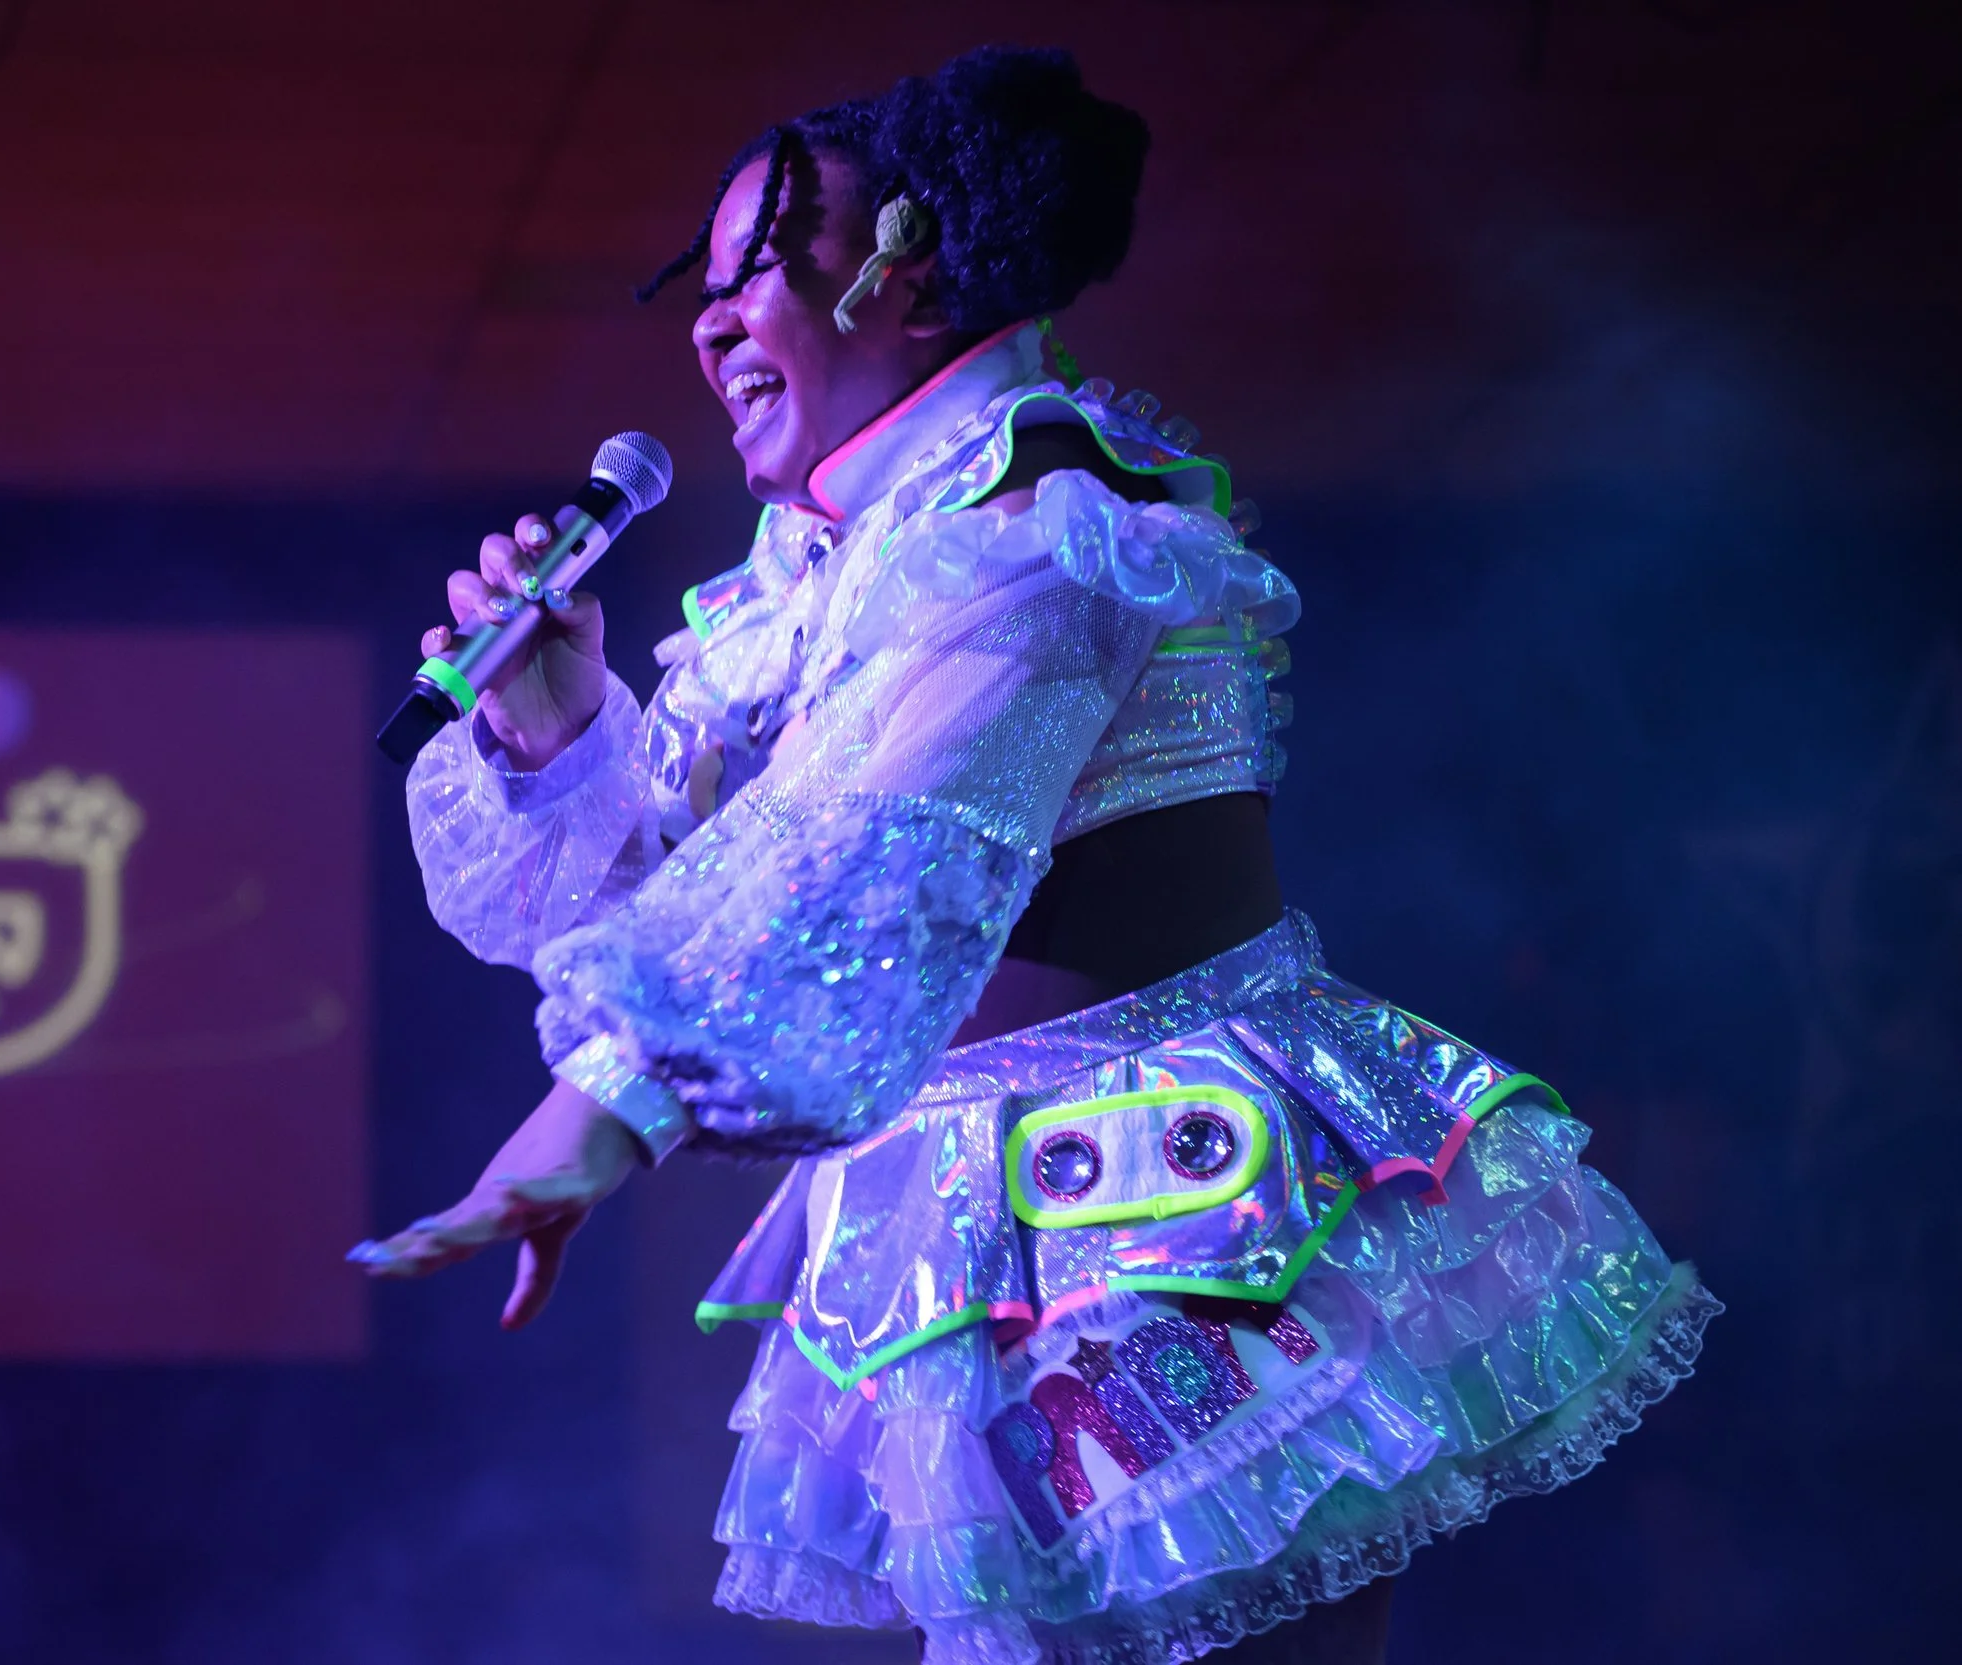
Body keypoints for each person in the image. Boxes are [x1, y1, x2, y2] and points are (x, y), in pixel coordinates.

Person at [354, 46, 1718, 1664]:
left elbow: (857, 860)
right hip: (985, 1220)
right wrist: (554, 729)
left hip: (1180, 1218)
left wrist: (589, 1122)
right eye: (697, 290)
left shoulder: (1043, 524)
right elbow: (652, 895)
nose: (710, 323)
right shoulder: (808, 580)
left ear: (910, 269)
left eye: (756, 275)